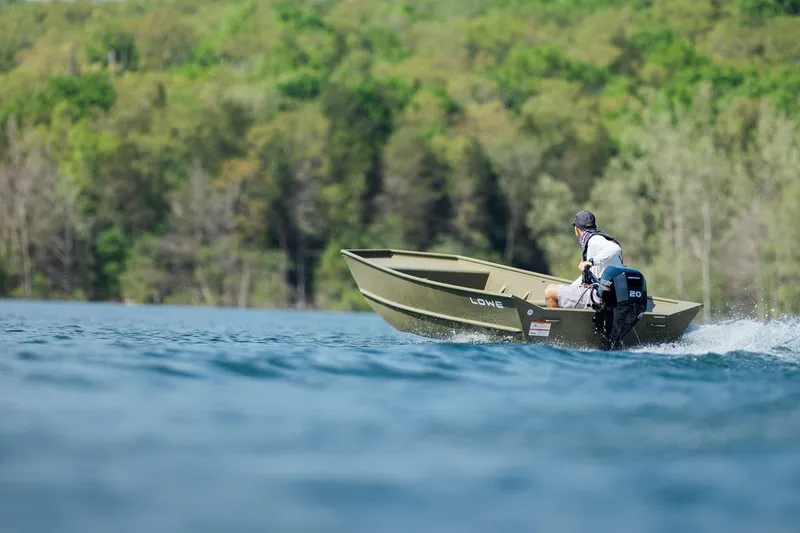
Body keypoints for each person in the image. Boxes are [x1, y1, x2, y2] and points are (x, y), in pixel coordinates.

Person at [544, 210, 623, 309]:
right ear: (595, 226)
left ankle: (559, 325)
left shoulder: (594, 240)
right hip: (611, 295)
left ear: (576, 229)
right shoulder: (595, 241)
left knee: (550, 292)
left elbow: (615, 248)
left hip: (601, 297)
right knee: (558, 292)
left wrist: (591, 262)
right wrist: (568, 289)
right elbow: (585, 278)